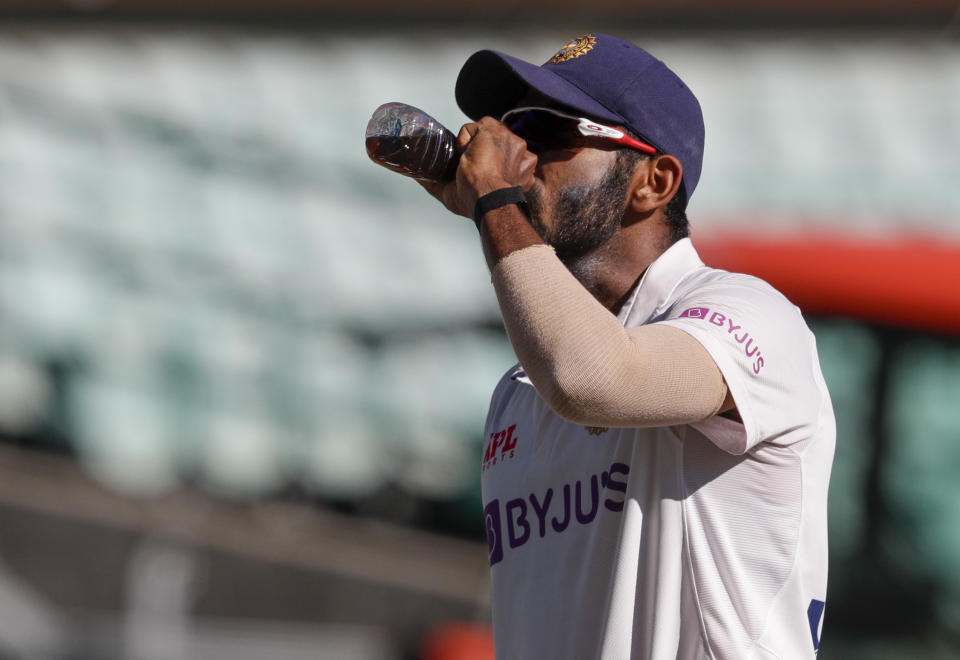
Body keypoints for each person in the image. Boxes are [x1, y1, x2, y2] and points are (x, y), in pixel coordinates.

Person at [419, 33, 835, 660]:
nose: (517, 154)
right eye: (509, 128)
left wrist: (498, 205)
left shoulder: (749, 313)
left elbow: (591, 378)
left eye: (545, 131)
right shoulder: (517, 391)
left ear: (653, 181)